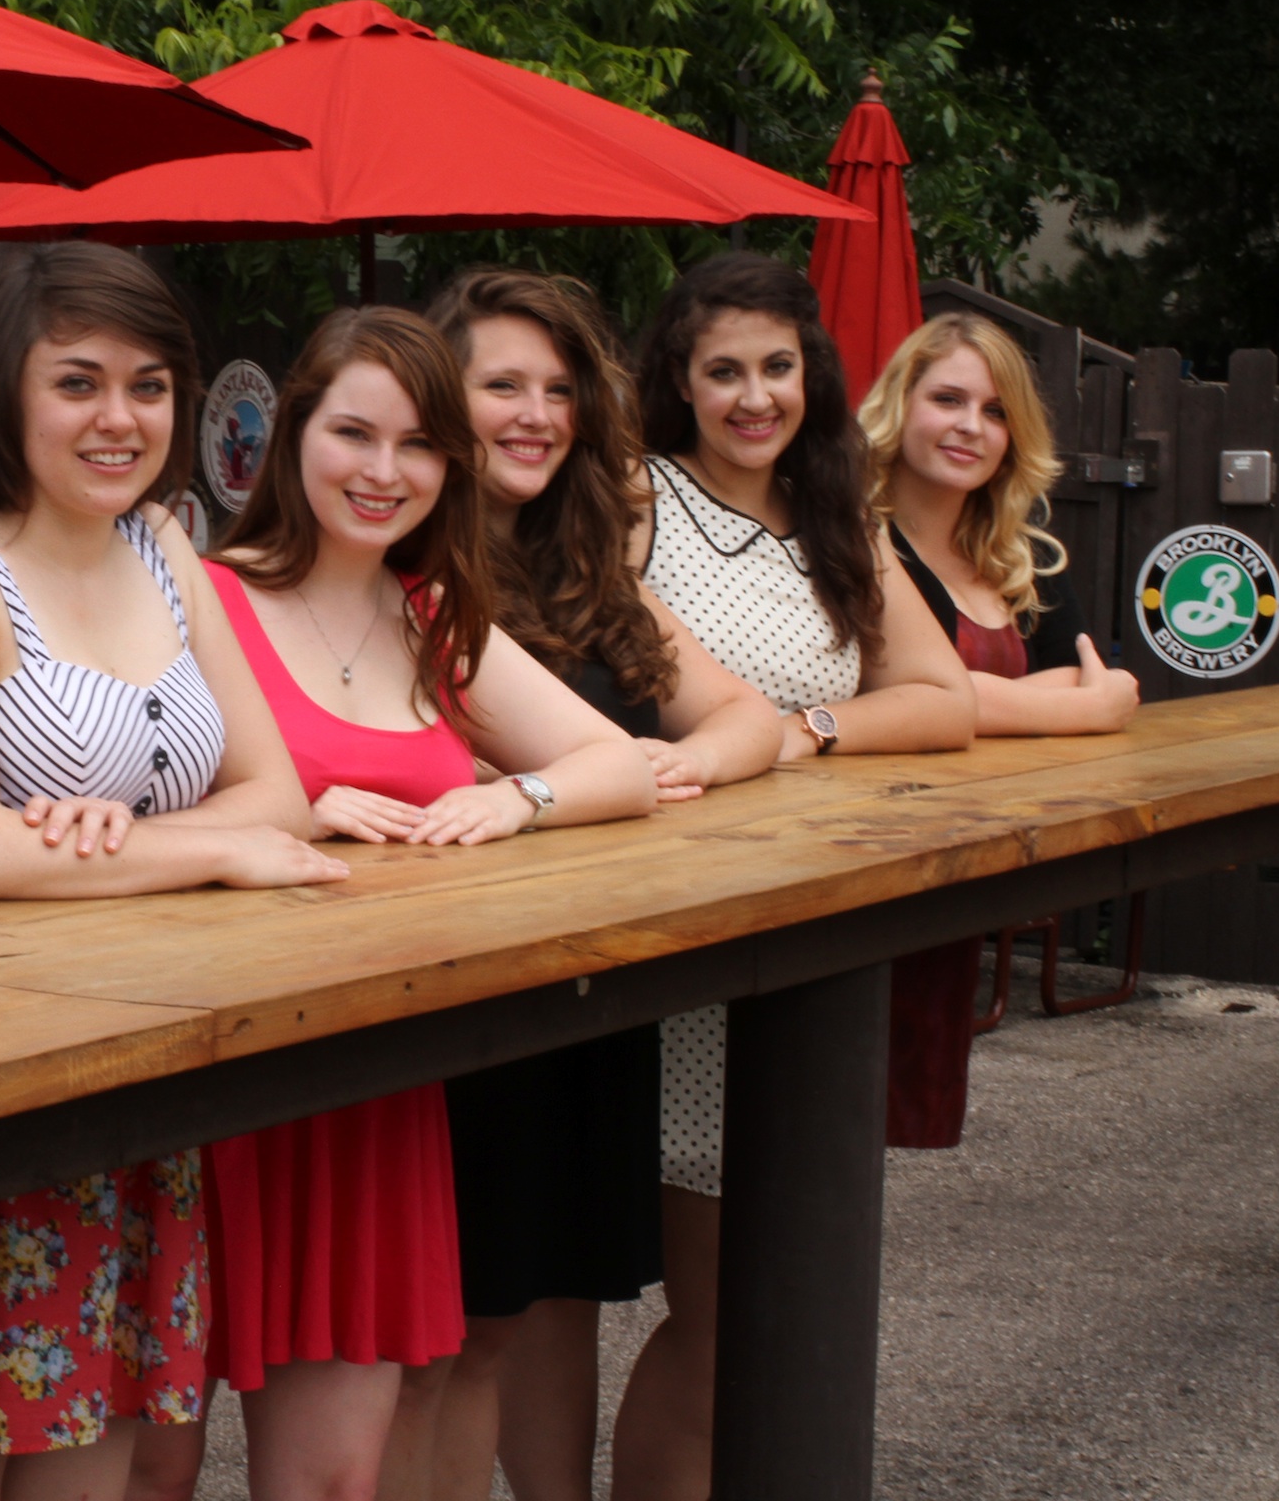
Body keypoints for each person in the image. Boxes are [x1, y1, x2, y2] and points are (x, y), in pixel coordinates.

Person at [0, 242, 347, 1501]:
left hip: (144, 1086)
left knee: (102, 1481)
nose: (119, 418)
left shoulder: (168, 549)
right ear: (10, 391)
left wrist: (147, 847)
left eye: (149, 384)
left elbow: (278, 796)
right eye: (79, 382)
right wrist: (211, 851)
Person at [165, 303, 666, 1501]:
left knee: (333, 1483)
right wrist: (283, 812)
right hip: (212, 1061)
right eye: (354, 433)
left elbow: (621, 763)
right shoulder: (198, 594)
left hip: (373, 1083)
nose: (384, 472)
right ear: (290, 436)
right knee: (148, 1475)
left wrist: (514, 799)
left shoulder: (430, 613)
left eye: (420, 446)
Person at [613, 252, 976, 1501]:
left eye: (776, 367)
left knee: (788, 1296)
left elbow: (942, 699)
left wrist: (813, 732)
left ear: (811, 377)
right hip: (689, 941)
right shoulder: (633, 501)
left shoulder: (837, 518)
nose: (754, 396)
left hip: (820, 935)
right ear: (680, 380)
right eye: (724, 371)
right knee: (719, 1310)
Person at [417, 269, 783, 1501]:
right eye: (502, 385)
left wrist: (672, 762)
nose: (536, 413)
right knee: (462, 1333)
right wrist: (606, 773)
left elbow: (749, 720)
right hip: (460, 989)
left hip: (591, 984)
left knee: (545, 1302)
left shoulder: (590, 574)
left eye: (560, 389)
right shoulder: (413, 569)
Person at [859, 312, 1138, 1148]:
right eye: (947, 398)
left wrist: (979, 700)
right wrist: (1079, 709)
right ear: (899, 405)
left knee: (901, 1122)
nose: (970, 426)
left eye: (994, 410)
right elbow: (887, 688)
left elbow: (1070, 666)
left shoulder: (1014, 552)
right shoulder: (855, 539)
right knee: (828, 1127)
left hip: (959, 856)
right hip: (863, 855)